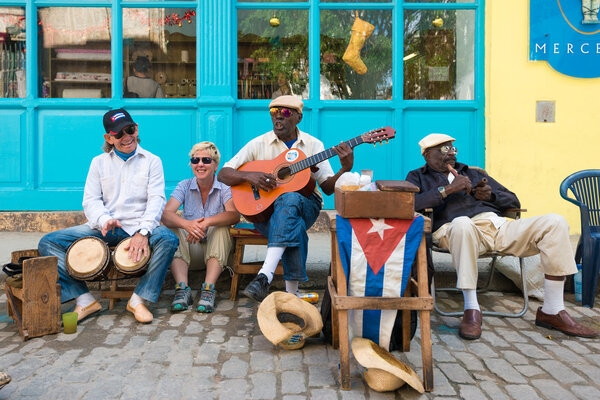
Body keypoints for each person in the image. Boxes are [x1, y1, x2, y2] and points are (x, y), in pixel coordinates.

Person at [406, 133, 598, 340]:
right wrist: (447, 190)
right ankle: (471, 309)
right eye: (444, 149)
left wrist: (491, 195)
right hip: (453, 229)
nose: (451, 154)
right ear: (427, 155)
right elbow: (410, 204)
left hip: (495, 226)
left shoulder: (471, 173)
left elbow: (514, 201)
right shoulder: (417, 176)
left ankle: (552, 310)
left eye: (453, 148)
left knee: (555, 222)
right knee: (463, 224)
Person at [38, 109, 179, 324]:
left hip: (139, 226)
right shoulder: (98, 163)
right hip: (107, 228)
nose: (126, 137)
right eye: (118, 134)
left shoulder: (152, 161)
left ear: (136, 129)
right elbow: (91, 201)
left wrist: (143, 231)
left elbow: (157, 200)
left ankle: (138, 299)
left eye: (129, 130)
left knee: (169, 239)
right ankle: (84, 299)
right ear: (108, 138)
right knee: (48, 243)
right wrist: (104, 220)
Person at [218, 95, 354, 302]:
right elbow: (223, 174)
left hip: (307, 204)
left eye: (286, 113)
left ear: (298, 117)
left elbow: (326, 188)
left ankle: (265, 275)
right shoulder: (258, 143)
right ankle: (292, 296)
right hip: (265, 211)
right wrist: (249, 176)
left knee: (289, 198)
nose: (278, 117)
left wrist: (345, 168)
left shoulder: (313, 145)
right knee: (293, 224)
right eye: (274, 113)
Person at [161, 141, 240, 313]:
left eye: (206, 160)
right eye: (195, 160)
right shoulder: (184, 185)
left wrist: (206, 222)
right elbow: (166, 215)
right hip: (191, 251)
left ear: (216, 165)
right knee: (172, 228)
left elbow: (234, 215)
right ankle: (182, 289)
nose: (200, 164)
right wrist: (187, 225)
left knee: (221, 228)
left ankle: (208, 290)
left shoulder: (224, 187)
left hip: (218, 252)